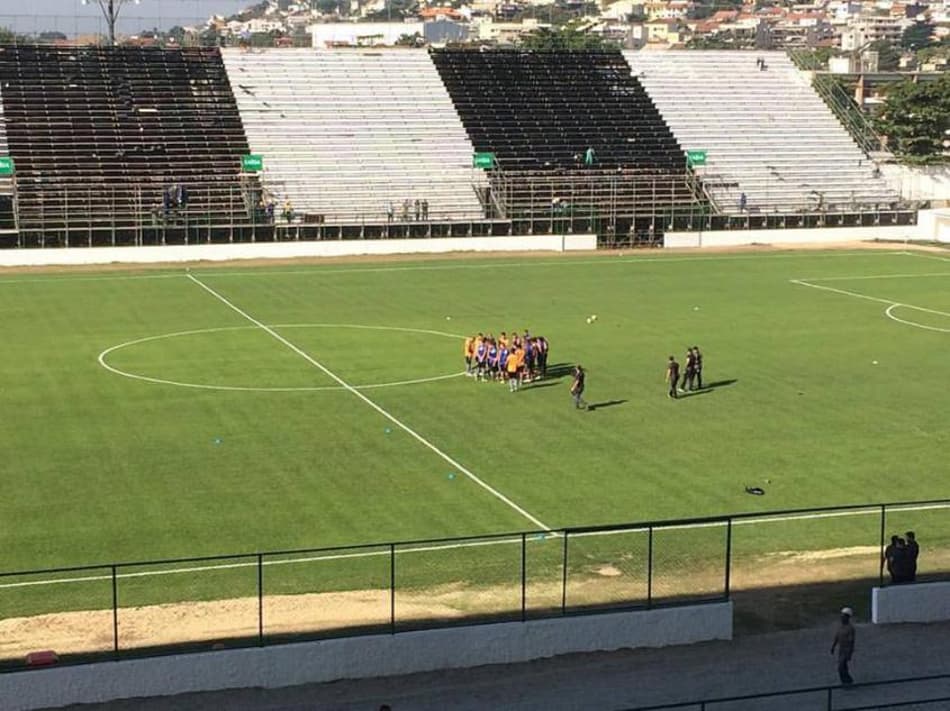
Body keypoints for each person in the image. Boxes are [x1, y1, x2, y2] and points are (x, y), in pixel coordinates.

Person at [830, 607, 856, 686]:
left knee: (841, 667)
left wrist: (849, 653)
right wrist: (833, 646)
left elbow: (851, 642)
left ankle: (846, 680)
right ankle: (847, 680)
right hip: (841, 649)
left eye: (843, 616)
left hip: (846, 650)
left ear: (847, 617)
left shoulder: (850, 628)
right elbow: (837, 636)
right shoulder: (840, 627)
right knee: (843, 666)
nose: (841, 618)